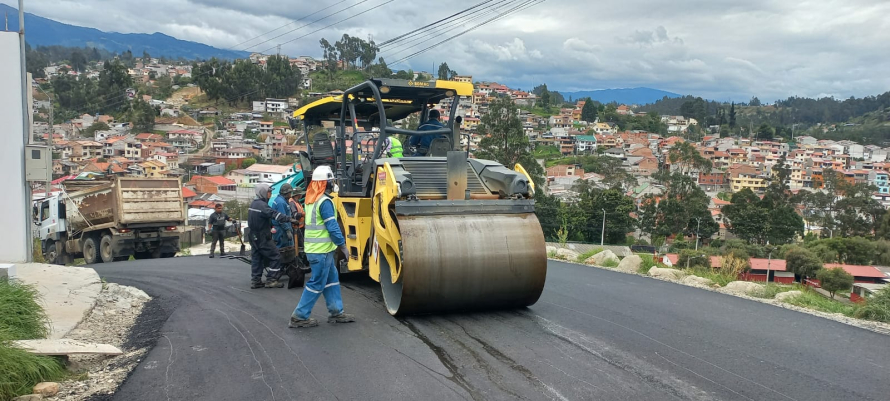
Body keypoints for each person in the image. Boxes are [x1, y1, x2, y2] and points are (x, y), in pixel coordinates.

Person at [289, 166, 355, 328]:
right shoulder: (325, 202)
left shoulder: (311, 200)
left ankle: (336, 312)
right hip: (320, 252)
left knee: (331, 280)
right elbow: (332, 227)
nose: (332, 184)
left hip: (320, 251)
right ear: (324, 183)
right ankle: (299, 316)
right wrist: (343, 246)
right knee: (317, 282)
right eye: (330, 181)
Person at [248, 184, 291, 289]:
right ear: (263, 192)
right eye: (269, 192)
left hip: (253, 236)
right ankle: (272, 280)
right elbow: (275, 214)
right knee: (276, 255)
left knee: (257, 258)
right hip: (263, 237)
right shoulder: (262, 205)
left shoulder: (253, 204)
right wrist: (289, 219)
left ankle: (256, 281)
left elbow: (262, 218)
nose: (270, 195)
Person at [271, 183, 294, 249]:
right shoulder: (281, 202)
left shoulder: (281, 200)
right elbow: (282, 219)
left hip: (280, 229)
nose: (291, 194)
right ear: (287, 192)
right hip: (281, 231)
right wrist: (287, 230)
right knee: (283, 249)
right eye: (290, 192)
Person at [287, 187, 306, 251]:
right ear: (298, 195)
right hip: (296, 228)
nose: (302, 195)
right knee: (299, 245)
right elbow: (295, 215)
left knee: (301, 245)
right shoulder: (292, 203)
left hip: (300, 227)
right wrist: (303, 214)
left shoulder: (297, 202)